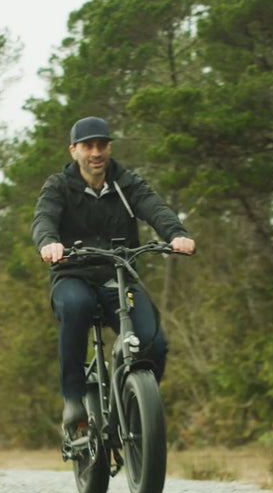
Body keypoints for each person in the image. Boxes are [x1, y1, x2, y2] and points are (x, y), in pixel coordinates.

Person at [31, 116, 196, 432]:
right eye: (88, 146)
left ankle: (135, 407)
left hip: (119, 276)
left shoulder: (126, 183)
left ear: (109, 148)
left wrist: (176, 234)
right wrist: (49, 242)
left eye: (102, 145)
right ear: (74, 150)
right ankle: (74, 398)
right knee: (76, 306)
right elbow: (44, 218)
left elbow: (154, 207)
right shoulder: (59, 186)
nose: (96, 152)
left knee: (154, 343)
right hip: (73, 274)